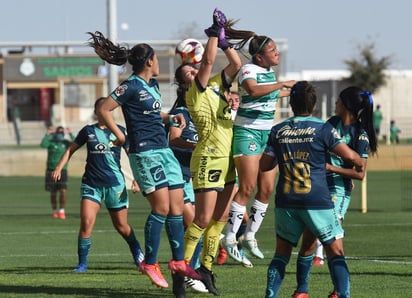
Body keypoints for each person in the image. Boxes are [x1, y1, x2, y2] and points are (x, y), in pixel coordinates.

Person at [87, 31, 201, 293]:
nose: (159, 62)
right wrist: (120, 135)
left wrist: (170, 119)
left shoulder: (154, 86)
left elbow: (153, 114)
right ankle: (149, 262)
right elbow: (104, 108)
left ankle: (178, 261)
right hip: (145, 153)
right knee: (161, 208)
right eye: (157, 58)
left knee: (176, 209)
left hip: (163, 150)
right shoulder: (132, 85)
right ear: (149, 61)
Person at [260, 81, 364, 298]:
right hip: (316, 200)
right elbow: (352, 157)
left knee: (281, 254)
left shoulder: (277, 130)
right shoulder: (322, 128)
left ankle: (271, 295)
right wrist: (357, 163)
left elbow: (264, 165)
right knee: (336, 252)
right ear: (314, 104)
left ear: (291, 103)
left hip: (286, 201)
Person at [173, 8, 250, 295]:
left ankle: (206, 270)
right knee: (202, 219)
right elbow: (207, 60)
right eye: (188, 72)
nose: (194, 71)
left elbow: (236, 64)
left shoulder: (218, 86)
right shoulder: (196, 92)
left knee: (219, 220)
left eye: (193, 69)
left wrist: (225, 41)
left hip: (227, 158)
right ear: (184, 84)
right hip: (207, 157)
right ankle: (181, 270)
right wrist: (212, 34)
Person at [297, 86, 378, 297]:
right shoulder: (332, 123)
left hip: (338, 191)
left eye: (339, 100)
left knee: (331, 243)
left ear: (347, 105)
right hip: (318, 187)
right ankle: (302, 291)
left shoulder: (360, 135)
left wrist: (333, 168)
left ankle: (339, 292)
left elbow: (360, 174)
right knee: (308, 240)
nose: (336, 103)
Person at [222, 34, 296, 262]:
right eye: (272, 50)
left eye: (276, 49)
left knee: (266, 189)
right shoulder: (248, 70)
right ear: (259, 57)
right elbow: (253, 91)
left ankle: (250, 236)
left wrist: (294, 90)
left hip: (266, 133)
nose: (277, 53)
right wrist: (283, 84)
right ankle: (230, 237)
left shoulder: (269, 73)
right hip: (247, 133)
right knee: (247, 187)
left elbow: (270, 93)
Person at [51, 97, 144, 273]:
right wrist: (58, 168)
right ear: (96, 112)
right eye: (101, 108)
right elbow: (70, 149)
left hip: (115, 185)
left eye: (107, 108)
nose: (105, 111)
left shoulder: (121, 132)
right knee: (86, 222)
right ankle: (82, 264)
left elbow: (133, 156)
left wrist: (136, 179)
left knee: (122, 226)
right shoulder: (88, 131)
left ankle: (138, 253)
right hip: (91, 184)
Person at [40, 125, 74, 219]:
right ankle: (54, 210)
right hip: (51, 170)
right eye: (58, 133)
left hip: (62, 170)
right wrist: (47, 134)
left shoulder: (66, 143)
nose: (60, 135)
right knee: (53, 192)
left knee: (63, 191)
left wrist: (70, 133)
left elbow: (76, 143)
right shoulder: (51, 143)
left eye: (61, 133)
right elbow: (43, 145)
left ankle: (62, 210)